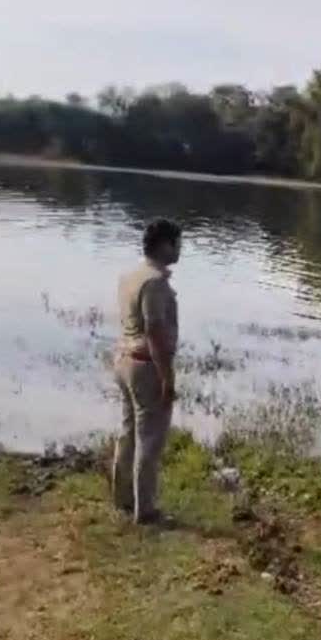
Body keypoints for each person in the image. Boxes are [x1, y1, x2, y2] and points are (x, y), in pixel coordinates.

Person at [112, 219, 181, 524]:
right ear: (165, 245)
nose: (180, 249)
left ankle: (122, 497)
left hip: (124, 360)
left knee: (128, 432)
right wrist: (167, 378)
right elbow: (154, 331)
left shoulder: (130, 276)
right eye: (177, 243)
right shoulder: (154, 283)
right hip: (146, 366)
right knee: (150, 439)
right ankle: (146, 510)